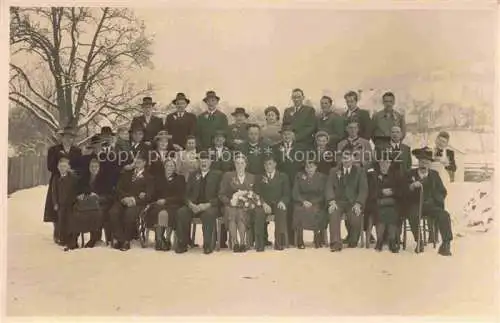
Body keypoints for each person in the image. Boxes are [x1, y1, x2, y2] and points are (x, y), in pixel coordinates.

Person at [406, 147, 453, 256]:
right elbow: (403, 191)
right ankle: (419, 242)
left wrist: (435, 199)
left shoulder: (434, 175)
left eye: (426, 163)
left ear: (430, 164)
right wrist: (411, 187)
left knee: (444, 215)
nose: (424, 165)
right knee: (413, 215)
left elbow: (442, 191)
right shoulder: (410, 174)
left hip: (430, 205)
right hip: (415, 205)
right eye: (422, 162)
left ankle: (446, 244)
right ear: (418, 162)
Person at [176, 151, 222, 254]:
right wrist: (190, 204)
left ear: (210, 162)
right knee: (182, 212)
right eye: (202, 160)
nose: (204, 163)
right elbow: (186, 194)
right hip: (194, 206)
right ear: (198, 162)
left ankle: (207, 245)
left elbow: (220, 196)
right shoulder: (193, 175)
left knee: (208, 215)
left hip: (210, 206)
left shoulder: (217, 175)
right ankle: (183, 243)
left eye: (206, 160)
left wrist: (207, 205)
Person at [109, 151, 154, 251]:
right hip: (124, 200)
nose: (137, 163)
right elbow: (118, 188)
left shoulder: (149, 177)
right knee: (113, 212)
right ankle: (120, 238)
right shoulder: (127, 174)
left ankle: (126, 241)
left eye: (140, 161)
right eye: (136, 161)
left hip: (137, 204)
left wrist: (135, 200)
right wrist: (125, 198)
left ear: (144, 163)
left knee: (129, 214)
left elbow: (149, 195)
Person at [44, 126, 82, 245]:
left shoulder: (77, 151)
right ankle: (57, 231)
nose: (68, 139)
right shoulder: (54, 150)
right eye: (65, 137)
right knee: (56, 205)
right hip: (58, 179)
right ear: (62, 138)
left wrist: (71, 170)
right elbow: (50, 166)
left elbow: (79, 167)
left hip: (71, 181)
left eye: (70, 137)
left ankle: (69, 232)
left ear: (72, 139)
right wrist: (61, 167)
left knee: (69, 205)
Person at [325, 148, 368, 251]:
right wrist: (331, 201)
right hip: (338, 202)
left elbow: (363, 189)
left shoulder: (360, 171)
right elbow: (329, 187)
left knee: (355, 217)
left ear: (353, 158)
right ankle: (335, 242)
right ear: (341, 159)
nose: (346, 160)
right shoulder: (334, 171)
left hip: (353, 203)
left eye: (349, 158)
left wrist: (358, 203)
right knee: (333, 213)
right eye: (344, 158)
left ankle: (353, 240)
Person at [219, 154, 258, 252]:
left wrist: (248, 201)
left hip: (246, 207)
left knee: (241, 213)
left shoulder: (252, 177)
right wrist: (230, 201)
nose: (240, 165)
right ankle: (235, 243)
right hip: (230, 206)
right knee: (232, 213)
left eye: (242, 163)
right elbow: (221, 194)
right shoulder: (228, 176)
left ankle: (242, 243)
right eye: (237, 163)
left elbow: (255, 194)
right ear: (234, 164)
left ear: (246, 164)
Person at [272, 124, 304, 245]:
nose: (287, 136)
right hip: (281, 184)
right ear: (281, 135)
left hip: (296, 183)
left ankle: (297, 238)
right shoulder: (275, 148)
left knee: (296, 209)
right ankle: (284, 238)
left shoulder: (301, 148)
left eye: (289, 134)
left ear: (293, 135)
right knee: (284, 209)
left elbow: (303, 166)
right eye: (284, 134)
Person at [148, 158, 186, 251]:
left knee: (166, 213)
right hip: (159, 204)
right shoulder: (158, 178)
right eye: (167, 165)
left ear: (175, 168)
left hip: (173, 204)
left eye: (172, 166)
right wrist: (157, 200)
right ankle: (160, 239)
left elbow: (181, 196)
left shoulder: (180, 178)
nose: (169, 167)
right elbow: (153, 194)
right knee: (158, 211)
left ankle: (167, 239)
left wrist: (166, 200)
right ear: (164, 167)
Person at [254, 155, 291, 250]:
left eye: (270, 164)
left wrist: (283, 202)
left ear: (275, 164)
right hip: (265, 204)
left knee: (281, 211)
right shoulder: (259, 177)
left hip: (278, 203)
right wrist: (263, 203)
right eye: (266, 164)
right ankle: (260, 244)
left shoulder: (283, 176)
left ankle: (279, 243)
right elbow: (256, 193)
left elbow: (287, 194)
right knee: (258, 212)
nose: (268, 166)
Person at [292, 160, 328, 249]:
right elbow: (295, 192)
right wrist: (303, 201)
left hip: (316, 202)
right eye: (307, 167)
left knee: (315, 211)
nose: (309, 169)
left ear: (316, 167)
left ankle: (317, 237)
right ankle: (300, 239)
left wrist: (313, 202)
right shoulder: (299, 176)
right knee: (299, 210)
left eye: (311, 167)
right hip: (302, 201)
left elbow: (323, 194)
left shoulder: (322, 177)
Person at [372, 157, 404, 253]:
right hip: (378, 202)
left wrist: (392, 192)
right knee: (382, 210)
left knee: (392, 210)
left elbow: (401, 190)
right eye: (382, 162)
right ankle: (381, 240)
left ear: (390, 164)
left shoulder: (396, 175)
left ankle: (390, 240)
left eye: (387, 162)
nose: (384, 165)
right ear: (379, 163)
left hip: (394, 201)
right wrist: (382, 192)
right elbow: (371, 191)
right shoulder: (374, 175)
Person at [74, 157, 107, 248]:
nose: (94, 169)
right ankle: (74, 239)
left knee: (97, 213)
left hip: (100, 203)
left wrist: (98, 197)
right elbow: (79, 190)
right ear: (89, 167)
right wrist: (82, 195)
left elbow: (108, 194)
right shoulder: (84, 177)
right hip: (86, 204)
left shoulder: (104, 178)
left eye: (96, 167)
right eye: (92, 167)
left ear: (99, 168)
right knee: (76, 213)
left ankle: (94, 238)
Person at [51, 156, 78, 251]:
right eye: (61, 166)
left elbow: (76, 190)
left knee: (70, 221)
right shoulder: (56, 178)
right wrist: (55, 203)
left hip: (71, 204)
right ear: (58, 167)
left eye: (64, 166)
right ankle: (62, 238)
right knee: (61, 221)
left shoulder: (72, 178)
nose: (62, 168)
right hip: (60, 204)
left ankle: (71, 240)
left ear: (68, 167)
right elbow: (54, 192)